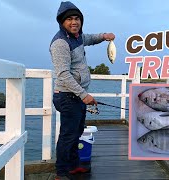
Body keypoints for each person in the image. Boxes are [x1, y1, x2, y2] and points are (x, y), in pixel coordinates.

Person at [50, 1, 115, 179]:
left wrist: (105, 36)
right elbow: (63, 74)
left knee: (76, 132)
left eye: (77, 18)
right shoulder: (60, 43)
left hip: (76, 96)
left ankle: (73, 166)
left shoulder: (77, 37)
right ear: (62, 22)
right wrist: (84, 95)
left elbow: (91, 38)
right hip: (67, 96)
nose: (74, 22)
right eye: (69, 19)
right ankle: (61, 173)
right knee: (68, 136)